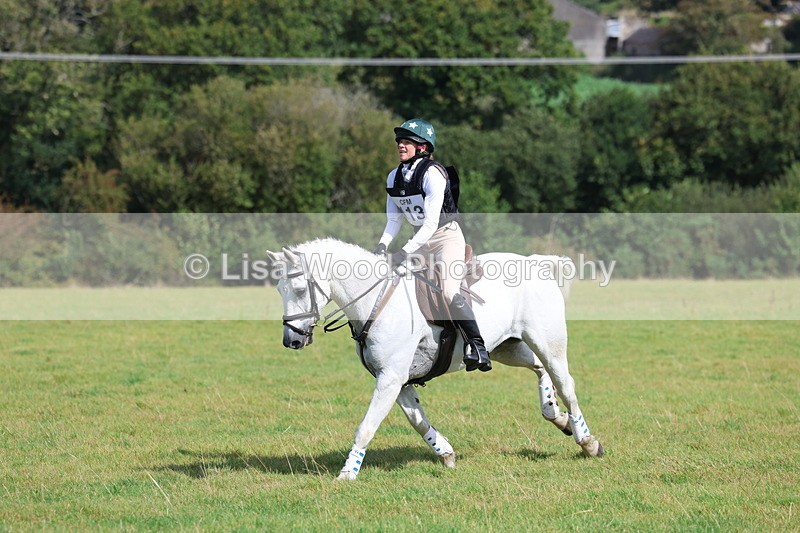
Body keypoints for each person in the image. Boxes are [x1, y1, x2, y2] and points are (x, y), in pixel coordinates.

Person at [374, 118, 491, 372]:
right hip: (420, 240)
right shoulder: (394, 177)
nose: (401, 145)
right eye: (399, 141)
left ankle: (477, 346)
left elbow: (430, 223)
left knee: (448, 291)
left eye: (407, 141)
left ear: (423, 147)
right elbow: (394, 220)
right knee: (394, 282)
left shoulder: (433, 174)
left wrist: (404, 251)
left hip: (445, 238)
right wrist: (382, 246)